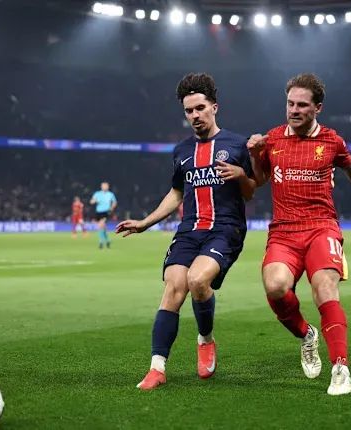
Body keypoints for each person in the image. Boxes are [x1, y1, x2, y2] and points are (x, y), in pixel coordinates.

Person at [246, 73, 351, 396]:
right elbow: (260, 179)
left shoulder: (332, 141)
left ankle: (340, 368)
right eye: (290, 103)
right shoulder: (273, 138)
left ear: (317, 108)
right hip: (284, 231)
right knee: (275, 286)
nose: (294, 110)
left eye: (302, 105)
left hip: (321, 227)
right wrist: (255, 153)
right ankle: (307, 335)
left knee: (325, 288)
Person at [116, 73, 256, 390]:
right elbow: (177, 193)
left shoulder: (236, 144)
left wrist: (240, 175)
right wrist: (145, 222)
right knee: (174, 286)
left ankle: (205, 339)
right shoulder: (181, 151)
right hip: (189, 230)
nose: (194, 115)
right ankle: (157, 368)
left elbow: (250, 192)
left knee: (197, 280)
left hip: (225, 229)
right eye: (188, 111)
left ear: (214, 107)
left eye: (200, 108)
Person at [90, 182, 117, 249]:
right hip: (98, 212)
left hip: (106, 212)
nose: (105, 187)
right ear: (101, 187)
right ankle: (108, 240)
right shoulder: (97, 193)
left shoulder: (110, 194)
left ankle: (101, 242)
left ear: (108, 187)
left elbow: (114, 202)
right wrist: (94, 201)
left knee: (101, 225)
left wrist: (112, 208)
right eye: (103, 186)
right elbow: (91, 201)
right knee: (102, 227)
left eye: (106, 186)